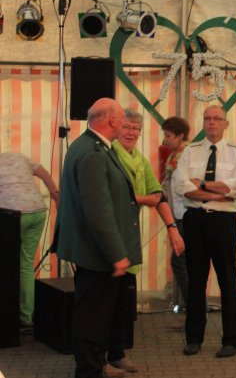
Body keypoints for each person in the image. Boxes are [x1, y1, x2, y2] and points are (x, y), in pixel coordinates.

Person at [53, 98, 140, 378]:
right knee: (93, 317)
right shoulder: (92, 152)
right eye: (122, 118)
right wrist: (117, 253)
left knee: (99, 314)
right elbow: (98, 211)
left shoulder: (91, 146)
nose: (124, 123)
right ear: (112, 120)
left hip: (92, 249)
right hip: (96, 252)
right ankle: (89, 370)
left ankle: (98, 364)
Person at [109, 108, 185, 372]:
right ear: (116, 128)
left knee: (123, 304)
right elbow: (111, 196)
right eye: (127, 127)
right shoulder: (108, 155)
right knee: (105, 304)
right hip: (108, 240)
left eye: (136, 129)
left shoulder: (139, 159)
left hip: (128, 241)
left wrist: (172, 228)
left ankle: (116, 354)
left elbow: (157, 194)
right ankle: (98, 359)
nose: (131, 133)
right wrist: (144, 199)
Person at [173, 104, 236, 358]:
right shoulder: (190, 151)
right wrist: (217, 193)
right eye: (207, 118)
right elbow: (181, 186)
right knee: (196, 281)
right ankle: (194, 338)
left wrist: (203, 184)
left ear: (226, 124)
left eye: (217, 118)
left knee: (228, 280)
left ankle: (232, 340)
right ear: (203, 123)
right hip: (195, 221)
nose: (212, 122)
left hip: (224, 223)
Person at [0, 152, 59, 327]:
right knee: (25, 264)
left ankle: (8, 314)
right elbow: (43, 173)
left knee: (7, 265)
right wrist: (56, 195)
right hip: (37, 212)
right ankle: (26, 316)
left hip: (13, 215)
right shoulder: (17, 156)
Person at [161, 116, 191, 310]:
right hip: (179, 215)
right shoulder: (174, 156)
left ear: (180, 136)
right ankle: (194, 306)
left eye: (169, 135)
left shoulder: (186, 155)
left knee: (179, 262)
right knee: (183, 262)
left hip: (186, 215)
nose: (165, 139)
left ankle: (194, 306)